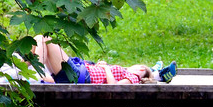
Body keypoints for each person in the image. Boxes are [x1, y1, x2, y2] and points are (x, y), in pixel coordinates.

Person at [32, 35, 170, 84]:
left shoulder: (133, 76)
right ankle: (27, 68)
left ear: (140, 69)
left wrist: (105, 68)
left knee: (45, 38)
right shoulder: (129, 74)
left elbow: (115, 87)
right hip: (76, 71)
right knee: (38, 39)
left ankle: (33, 69)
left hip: (77, 75)